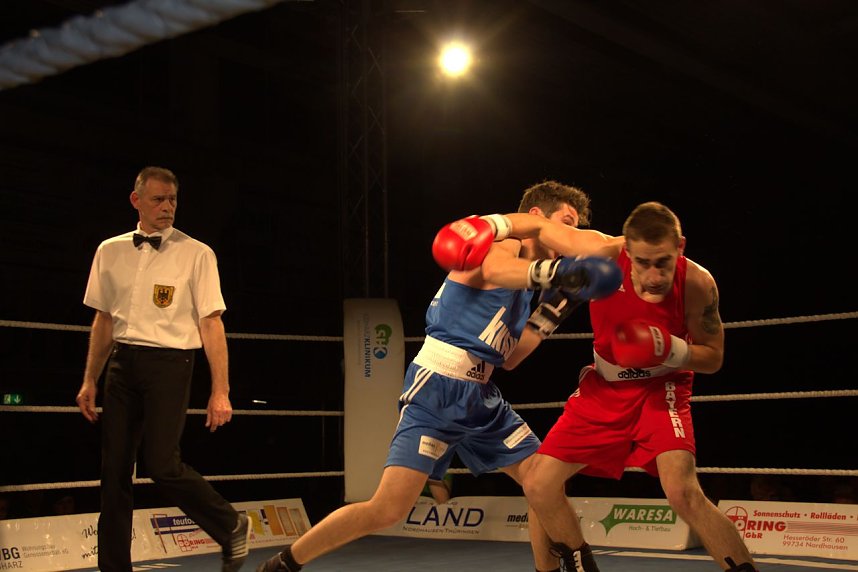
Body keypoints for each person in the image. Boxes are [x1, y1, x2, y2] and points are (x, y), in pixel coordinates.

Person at [256, 181, 622, 572]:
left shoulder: (527, 290)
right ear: (536, 217)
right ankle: (282, 565)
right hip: (438, 386)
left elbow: (511, 358)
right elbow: (498, 269)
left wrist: (555, 310)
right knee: (387, 508)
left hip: (483, 397)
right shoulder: (504, 245)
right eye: (566, 223)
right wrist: (558, 271)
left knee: (542, 483)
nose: (571, 236)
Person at [460, 201, 758, 571]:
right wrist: (486, 224)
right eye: (643, 262)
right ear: (626, 249)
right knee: (538, 484)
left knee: (683, 492)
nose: (653, 275)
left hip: (662, 389)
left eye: (663, 262)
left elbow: (713, 357)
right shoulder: (599, 256)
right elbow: (536, 227)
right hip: (603, 388)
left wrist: (669, 348)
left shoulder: (697, 283)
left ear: (680, 247)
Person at [75, 166, 250, 572]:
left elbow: (212, 323)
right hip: (121, 364)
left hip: (170, 364)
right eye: (157, 199)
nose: (167, 207)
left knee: (161, 464)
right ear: (136, 200)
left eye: (172, 199)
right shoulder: (110, 250)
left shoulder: (197, 253)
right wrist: (90, 378)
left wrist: (220, 389)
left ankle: (230, 523)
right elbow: (103, 320)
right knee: (113, 471)